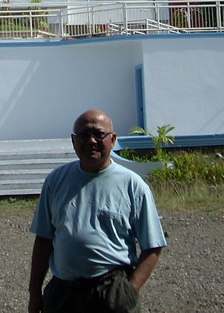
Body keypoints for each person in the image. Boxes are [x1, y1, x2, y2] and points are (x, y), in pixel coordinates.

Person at [28, 109, 166, 313]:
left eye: (99, 135)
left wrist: (130, 290)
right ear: (73, 141)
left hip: (111, 292)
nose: (91, 141)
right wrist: (34, 292)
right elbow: (43, 240)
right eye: (84, 135)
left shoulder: (133, 185)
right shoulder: (56, 181)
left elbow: (153, 245)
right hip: (63, 293)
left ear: (113, 139)